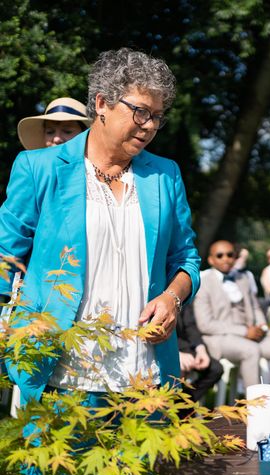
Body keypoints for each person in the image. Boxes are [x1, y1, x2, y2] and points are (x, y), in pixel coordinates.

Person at [0, 47, 201, 406]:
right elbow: (5, 257)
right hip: (59, 376)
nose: (150, 125)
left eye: (157, 116)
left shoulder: (165, 175)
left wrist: (173, 297)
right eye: (140, 112)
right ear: (102, 103)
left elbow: (186, 258)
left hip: (146, 379)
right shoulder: (38, 167)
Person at [193, 240, 270, 402]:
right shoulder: (203, 282)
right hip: (220, 338)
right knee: (250, 350)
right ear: (211, 260)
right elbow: (205, 324)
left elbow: (255, 307)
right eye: (220, 255)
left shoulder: (242, 278)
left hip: (251, 335)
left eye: (230, 255)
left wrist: (262, 326)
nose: (226, 259)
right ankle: (255, 405)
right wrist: (244, 331)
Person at [176, 304, 223, 404]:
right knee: (176, 374)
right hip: (164, 349)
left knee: (216, 369)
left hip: (185, 347)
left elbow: (190, 325)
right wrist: (175, 354)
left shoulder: (181, 296)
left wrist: (200, 349)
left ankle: (185, 406)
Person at [17, 97, 91, 150]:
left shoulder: (94, 170)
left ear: (86, 134)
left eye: (67, 131)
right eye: (50, 132)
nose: (56, 139)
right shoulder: (34, 170)